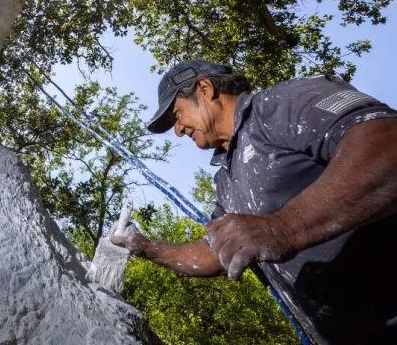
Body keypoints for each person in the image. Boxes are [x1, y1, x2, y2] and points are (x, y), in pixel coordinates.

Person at [109, 60, 397, 344]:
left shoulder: (278, 105)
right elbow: (215, 253)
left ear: (204, 89)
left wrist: (285, 227)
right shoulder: (226, 182)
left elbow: (387, 144)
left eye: (176, 115)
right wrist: (145, 247)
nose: (178, 130)